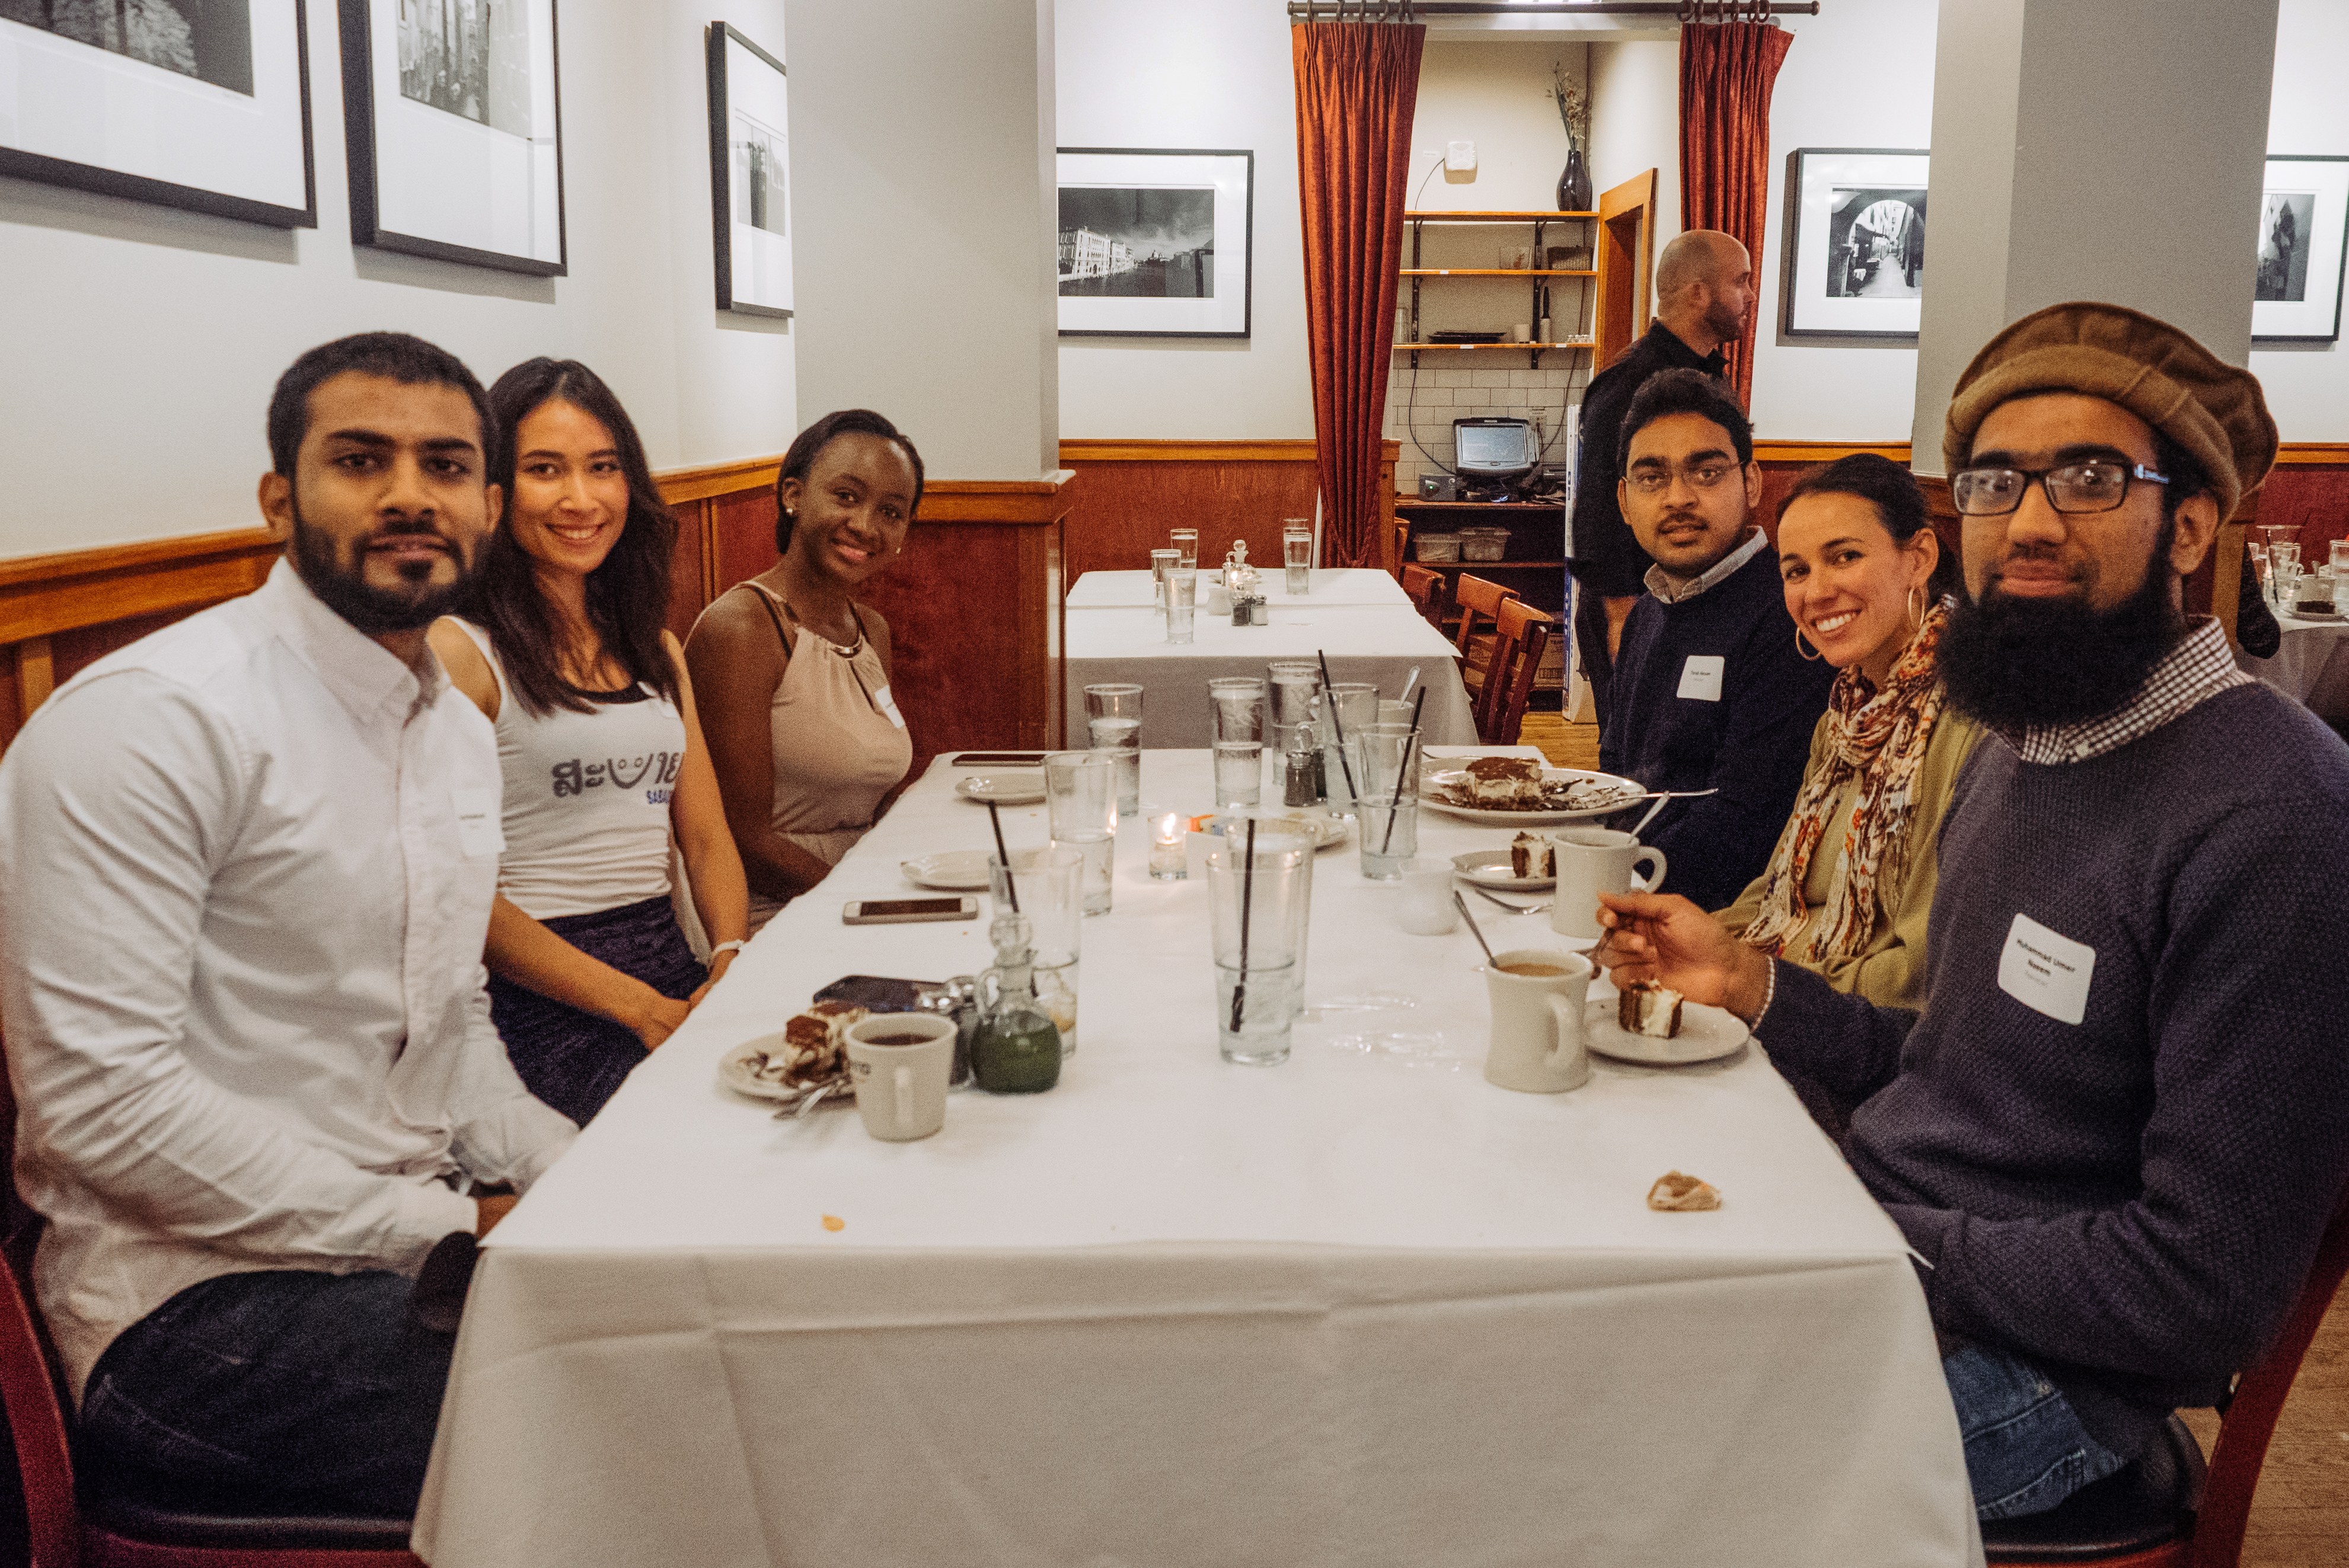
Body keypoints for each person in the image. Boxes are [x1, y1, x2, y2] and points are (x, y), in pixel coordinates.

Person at [1595, 302, 2349, 1522]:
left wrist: (1874, 1226)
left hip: (2048, 1378)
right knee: (1559, 1340)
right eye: (1996, 480)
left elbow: (2202, 1287)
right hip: (1898, 1264)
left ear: (2191, 521)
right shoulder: (2023, 751)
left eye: (2090, 477)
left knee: (1628, 1479)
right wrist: (1753, 980)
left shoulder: (2277, 813)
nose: (2032, 520)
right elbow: (1957, 1063)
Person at [0, 333, 577, 1516]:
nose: (410, 492)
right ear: (280, 497)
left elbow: (451, 1026)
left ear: (489, 503)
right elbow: (103, 1106)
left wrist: (577, 1180)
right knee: (643, 1399)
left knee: (731, 1313)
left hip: (412, 1238)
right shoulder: (153, 721)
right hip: (192, 1306)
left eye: (446, 464)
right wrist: (456, 1223)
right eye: (361, 458)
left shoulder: (456, 731)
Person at [430, 359, 750, 1126]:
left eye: (602, 468)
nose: (581, 499)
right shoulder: (459, 656)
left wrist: (730, 958)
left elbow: (705, 840)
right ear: (495, 493)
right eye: (546, 470)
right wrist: (640, 1009)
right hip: (536, 1009)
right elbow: (457, 897)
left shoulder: (656, 649)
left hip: (670, 970)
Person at [1713, 454, 1981, 1013]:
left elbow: (1920, 975)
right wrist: (1691, 941)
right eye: (1796, 571)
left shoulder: (1968, 721)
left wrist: (1750, 979)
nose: (1816, 592)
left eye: (1845, 557)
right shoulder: (1844, 716)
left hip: (1863, 1044)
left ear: (1920, 558)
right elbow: (1777, 891)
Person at [1597, 367, 1836, 913]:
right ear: (1625, 500)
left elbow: (1748, 826)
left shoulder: (1787, 617)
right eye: (1652, 478)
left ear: (1751, 483)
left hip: (1711, 922)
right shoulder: (1647, 612)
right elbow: (1614, 767)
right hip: (1629, 885)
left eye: (1705, 472)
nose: (1678, 497)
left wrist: (1606, 879)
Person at [685, 410, 921, 931]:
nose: (865, 525)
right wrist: (869, 904)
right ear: (793, 494)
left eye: (891, 511)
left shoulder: (871, 631)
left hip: (856, 897)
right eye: (846, 496)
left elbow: (874, 798)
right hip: (775, 915)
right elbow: (740, 838)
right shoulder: (742, 628)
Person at [1568, 229, 1754, 724]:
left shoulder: (1709, 374)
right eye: (1741, 281)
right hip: (1633, 607)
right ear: (1699, 292)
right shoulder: (1625, 384)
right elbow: (1600, 521)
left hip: (1695, 597)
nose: (1750, 296)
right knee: (1634, 751)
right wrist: (1622, 624)